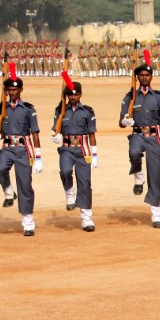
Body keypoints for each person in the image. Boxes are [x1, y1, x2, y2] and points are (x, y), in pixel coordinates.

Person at [119, 62, 160, 228]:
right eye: (141, 75)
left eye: (147, 75)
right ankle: (138, 175)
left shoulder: (159, 97)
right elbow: (121, 123)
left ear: (151, 77)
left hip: (154, 136)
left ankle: (155, 213)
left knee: (155, 174)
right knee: (134, 153)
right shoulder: (129, 97)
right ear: (137, 77)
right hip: (137, 134)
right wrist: (125, 121)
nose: (144, 77)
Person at [0, 72, 42, 236]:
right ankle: (8, 190)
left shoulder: (28, 109)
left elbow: (34, 133)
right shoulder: (1, 106)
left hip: (23, 148)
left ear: (21, 90)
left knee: (25, 184)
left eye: (14, 89)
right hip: (7, 147)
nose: (11, 92)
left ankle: (28, 222)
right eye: (9, 90)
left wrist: (38, 156)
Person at [51, 78, 97, 232]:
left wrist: (94, 153)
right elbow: (55, 129)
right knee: (65, 171)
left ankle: (86, 218)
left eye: (76, 94)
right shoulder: (60, 110)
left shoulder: (88, 111)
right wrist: (55, 135)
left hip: (83, 149)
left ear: (81, 95)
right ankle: (69, 192)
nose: (73, 97)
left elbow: (91, 133)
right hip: (66, 148)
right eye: (70, 95)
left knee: (85, 184)